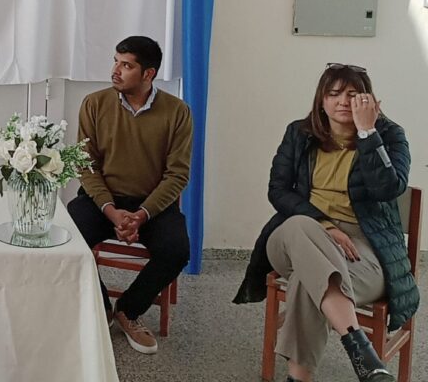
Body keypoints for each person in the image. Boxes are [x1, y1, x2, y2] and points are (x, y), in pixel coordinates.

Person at [233, 64, 418, 382]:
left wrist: (368, 133)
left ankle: (299, 378)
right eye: (334, 94)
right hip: (296, 238)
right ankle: (361, 352)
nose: (343, 101)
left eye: (352, 94)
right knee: (299, 226)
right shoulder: (298, 133)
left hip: (364, 246)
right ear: (321, 100)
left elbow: (388, 189)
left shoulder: (390, 136)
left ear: (368, 100)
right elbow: (278, 190)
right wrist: (325, 225)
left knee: (308, 280)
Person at [66, 36, 192, 355]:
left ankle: (128, 310)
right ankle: (100, 308)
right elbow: (86, 166)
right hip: (102, 201)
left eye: (126, 65)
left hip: (152, 205)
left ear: (148, 74)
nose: (115, 70)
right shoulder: (94, 104)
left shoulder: (177, 112)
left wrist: (141, 215)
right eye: (115, 61)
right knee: (67, 238)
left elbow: (177, 174)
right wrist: (111, 211)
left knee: (177, 250)